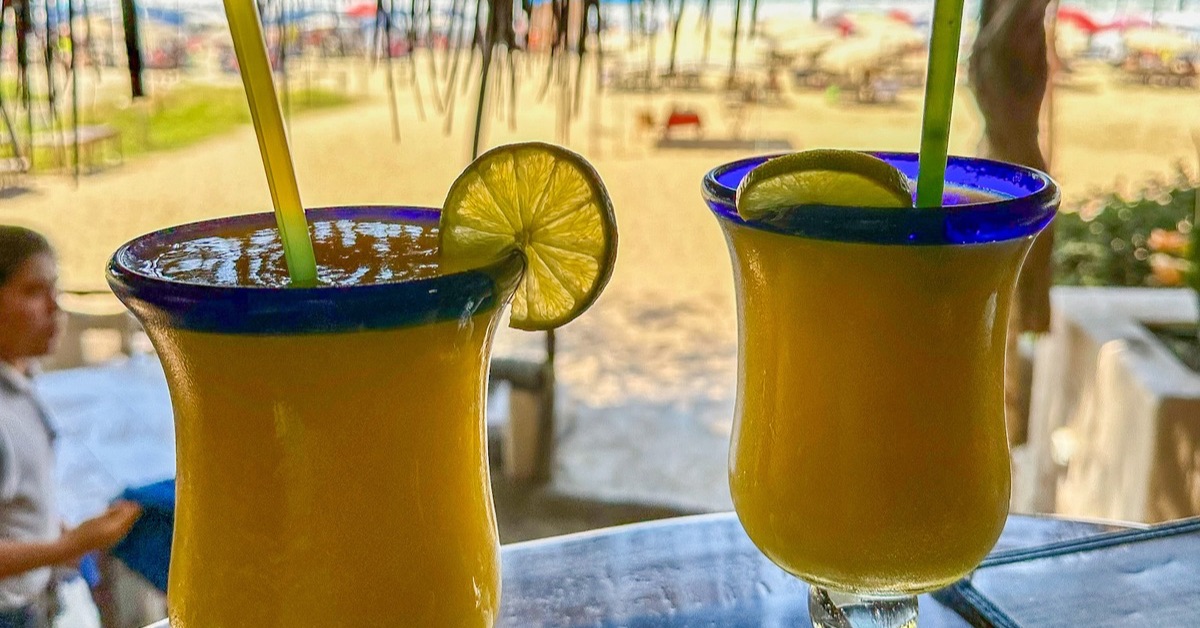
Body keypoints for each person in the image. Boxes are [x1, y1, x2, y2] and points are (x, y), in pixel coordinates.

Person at [0, 226, 141, 628]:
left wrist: (59, 536)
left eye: (54, 290)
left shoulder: (19, 378)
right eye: (32, 292)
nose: (55, 307)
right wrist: (68, 544)